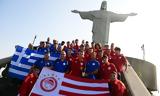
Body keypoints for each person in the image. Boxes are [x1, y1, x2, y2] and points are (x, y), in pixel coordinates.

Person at [72, 1, 137, 45]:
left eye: (105, 4)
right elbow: (87, 13)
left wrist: (128, 14)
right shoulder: (95, 12)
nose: (104, 5)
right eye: (103, 4)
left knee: (103, 44)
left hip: (104, 34)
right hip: (96, 32)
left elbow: (118, 15)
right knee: (95, 43)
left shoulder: (109, 14)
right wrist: (79, 12)